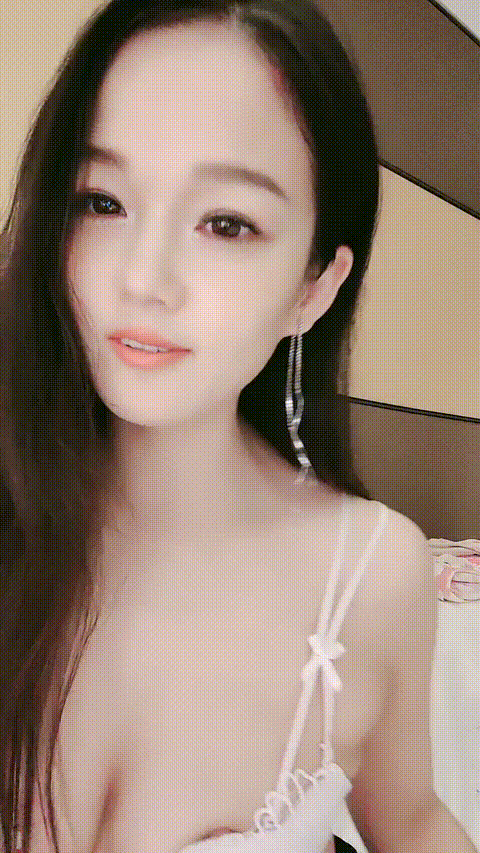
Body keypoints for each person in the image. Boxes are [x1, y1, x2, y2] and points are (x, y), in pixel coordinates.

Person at [0, 1, 475, 852]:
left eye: (226, 223)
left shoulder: (369, 577)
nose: (144, 278)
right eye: (102, 200)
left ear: (314, 288)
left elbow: (413, 820)